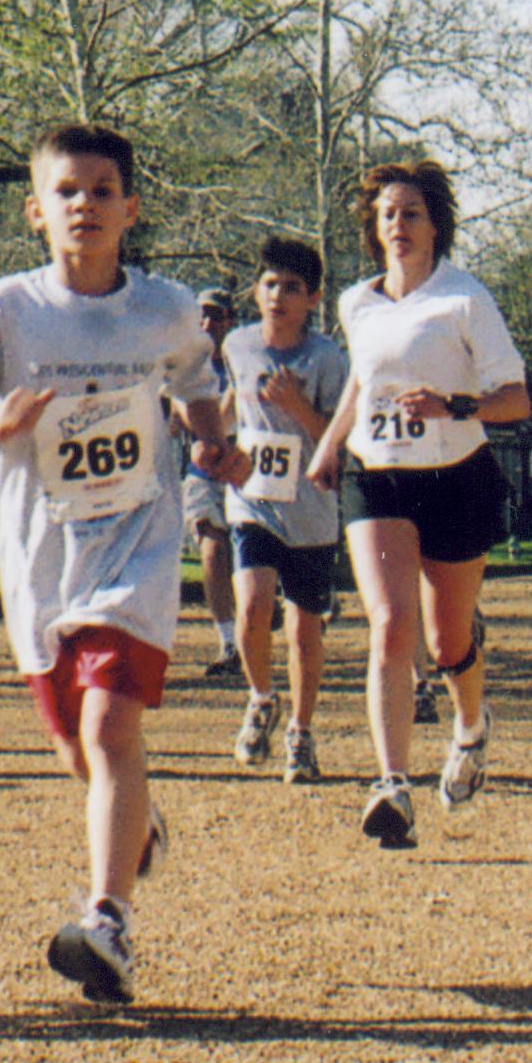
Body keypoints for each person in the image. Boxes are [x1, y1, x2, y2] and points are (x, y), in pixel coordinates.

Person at [0, 123, 231, 1004]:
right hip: (41, 552)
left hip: (136, 543)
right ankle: (130, 819)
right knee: (79, 749)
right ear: (36, 211)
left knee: (108, 728)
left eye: (102, 191)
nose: (84, 206)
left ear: (130, 209)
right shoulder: (6, 309)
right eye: (66, 192)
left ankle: (108, 922)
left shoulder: (165, 308)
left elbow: (196, 379)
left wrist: (214, 444)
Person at [310, 159, 529, 850]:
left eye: (410, 213)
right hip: (378, 477)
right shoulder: (356, 303)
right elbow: (362, 382)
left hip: (456, 476)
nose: (397, 226)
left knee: (448, 640)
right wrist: (331, 444)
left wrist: (454, 404)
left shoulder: (464, 300)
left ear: (435, 224)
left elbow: (515, 399)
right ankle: (392, 784)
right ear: (372, 229)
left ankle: (470, 728)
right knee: (390, 623)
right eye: (385, 215)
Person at [221, 239, 348, 784]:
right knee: (251, 606)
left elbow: (341, 441)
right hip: (253, 501)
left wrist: (298, 406)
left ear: (313, 298)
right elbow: (229, 407)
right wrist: (216, 443)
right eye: (270, 284)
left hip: (312, 510)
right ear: (256, 290)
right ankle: (260, 698)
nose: (278, 296)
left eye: (292, 287)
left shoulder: (327, 359)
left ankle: (300, 730)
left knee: (303, 631)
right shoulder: (237, 346)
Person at [180, 287, 245, 678]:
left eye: (215, 316)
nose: (207, 323)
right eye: (200, 315)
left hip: (245, 470)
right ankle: (228, 644)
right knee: (212, 552)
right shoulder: (186, 365)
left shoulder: (245, 360)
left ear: (229, 321)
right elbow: (186, 416)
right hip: (203, 473)